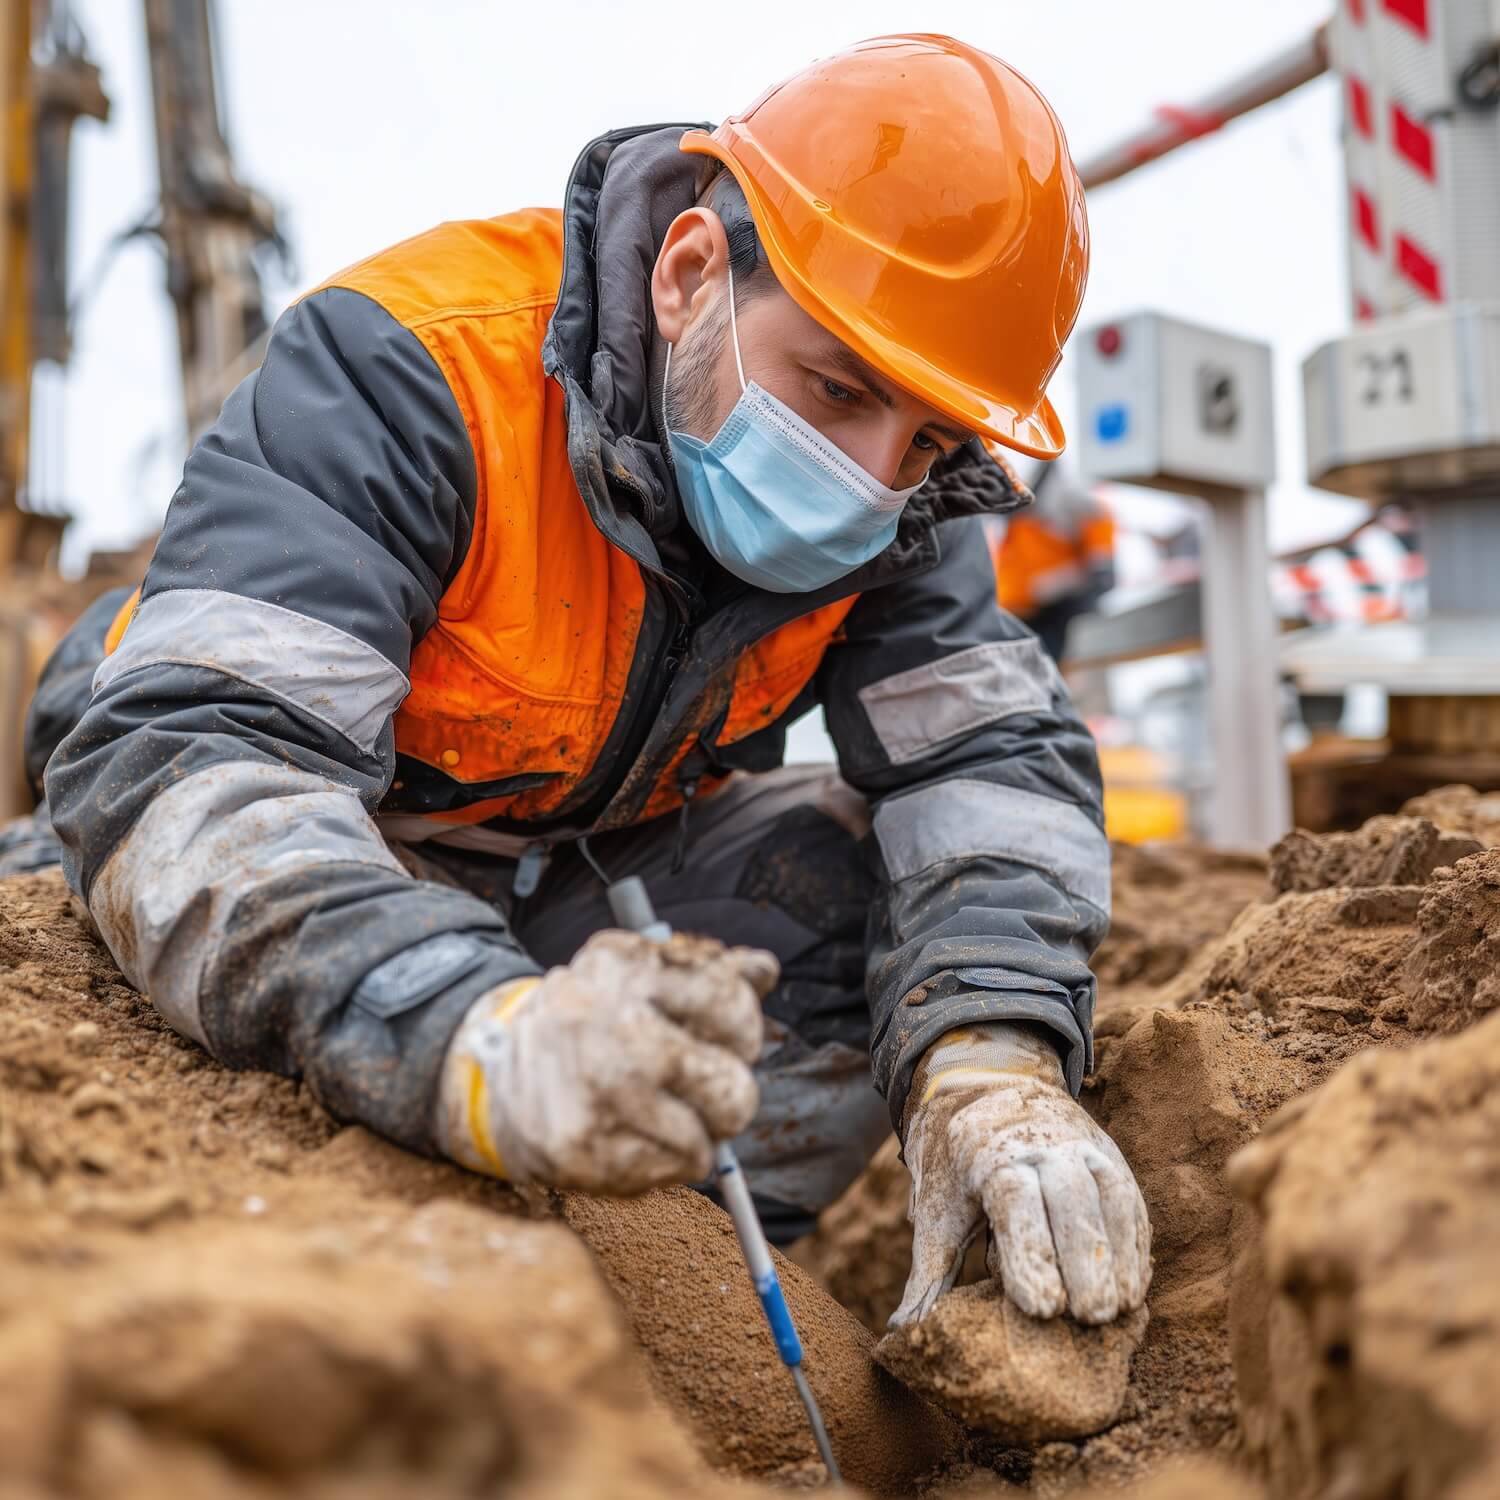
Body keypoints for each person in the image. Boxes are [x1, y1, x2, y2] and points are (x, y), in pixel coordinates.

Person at [29, 35, 1149, 1329]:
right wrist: (476, 1038)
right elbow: (196, 764)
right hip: (302, 857)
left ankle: (658, 1300)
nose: (870, 473)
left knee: (866, 893)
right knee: (134, 916)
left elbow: (992, 770)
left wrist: (991, 1063)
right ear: (689, 276)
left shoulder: (905, 508)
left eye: (926, 438)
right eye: (837, 389)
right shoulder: (413, 369)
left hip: (550, 875)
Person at [984, 461, 1117, 663]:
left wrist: (1059, 583)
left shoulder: (1071, 501)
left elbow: (1102, 567)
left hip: (1049, 612)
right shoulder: (1009, 515)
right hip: (1014, 610)